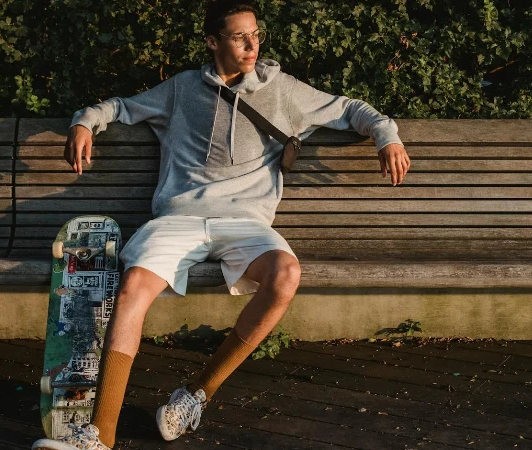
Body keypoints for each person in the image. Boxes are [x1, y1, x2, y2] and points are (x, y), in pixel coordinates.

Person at [32, 1, 410, 448]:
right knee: (133, 285)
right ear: (212, 42)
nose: (252, 45)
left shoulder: (281, 89)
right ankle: (100, 437)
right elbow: (120, 107)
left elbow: (349, 109)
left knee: (287, 274)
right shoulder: (182, 89)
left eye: (256, 35)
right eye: (238, 37)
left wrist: (387, 136)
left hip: (246, 223)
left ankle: (196, 395)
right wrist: (84, 124)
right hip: (178, 218)